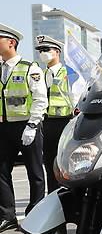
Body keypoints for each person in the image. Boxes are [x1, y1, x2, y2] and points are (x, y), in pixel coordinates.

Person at [0, 23, 48, 232]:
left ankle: (35, 213)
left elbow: (40, 99)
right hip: (3, 127)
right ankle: (7, 215)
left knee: (35, 171)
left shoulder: (30, 68)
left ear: (11, 42)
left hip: (27, 126)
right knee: (1, 171)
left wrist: (32, 124)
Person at [35, 35, 75, 193]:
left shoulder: (69, 72)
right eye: (40, 50)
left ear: (57, 52)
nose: (43, 53)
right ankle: (53, 193)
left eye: (46, 49)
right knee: (48, 161)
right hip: (45, 123)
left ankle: (70, 192)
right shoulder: (39, 74)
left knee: (65, 162)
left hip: (65, 122)